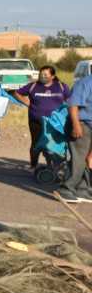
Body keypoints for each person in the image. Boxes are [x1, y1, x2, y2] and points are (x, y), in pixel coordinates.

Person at [16, 65, 71, 169]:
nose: (42, 76)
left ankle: (52, 165)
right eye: (41, 74)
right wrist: (26, 102)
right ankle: (33, 165)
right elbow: (17, 93)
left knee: (53, 144)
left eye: (45, 74)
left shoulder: (61, 86)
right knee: (36, 143)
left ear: (53, 76)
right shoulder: (33, 86)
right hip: (36, 120)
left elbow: (70, 100)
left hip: (55, 123)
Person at [58, 72, 92, 203]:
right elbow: (73, 105)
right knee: (79, 159)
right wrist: (76, 125)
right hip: (81, 125)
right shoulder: (85, 83)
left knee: (87, 160)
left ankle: (82, 189)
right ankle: (66, 189)